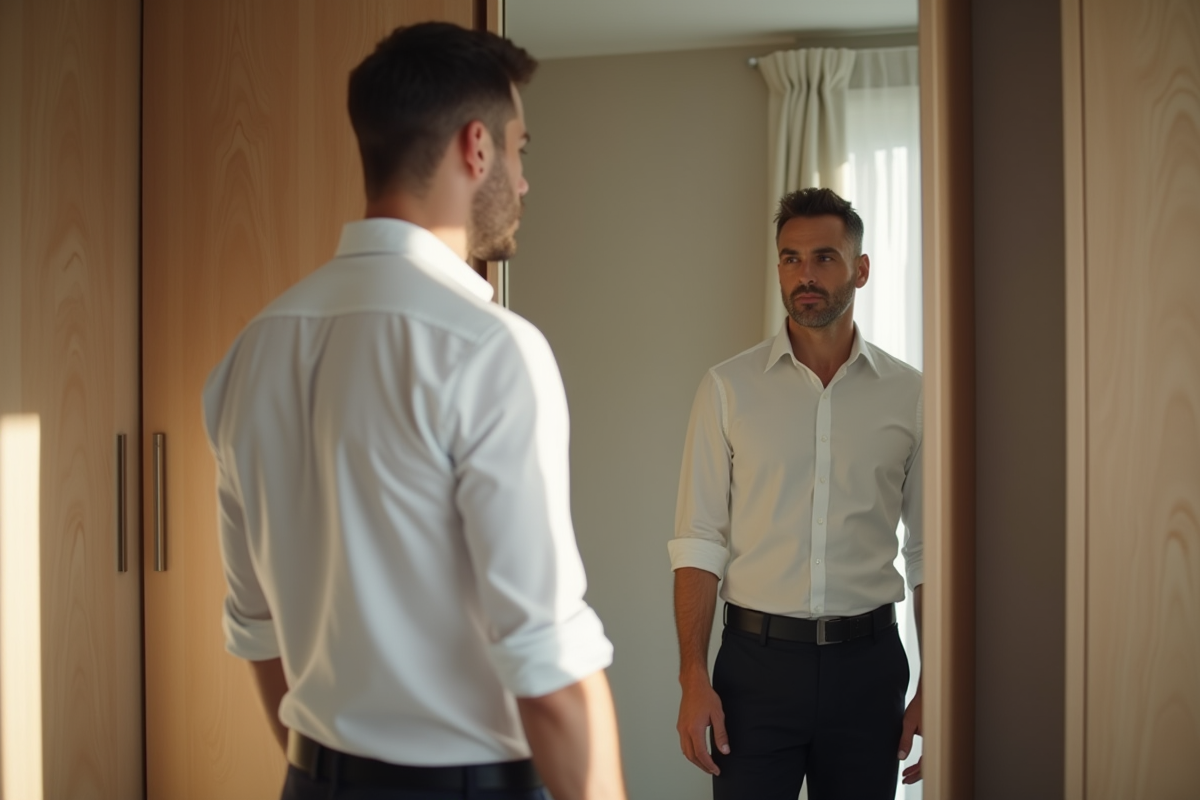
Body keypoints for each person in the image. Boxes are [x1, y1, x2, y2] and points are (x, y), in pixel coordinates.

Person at [203, 22, 626, 800]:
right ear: (476, 148)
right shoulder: (488, 349)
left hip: (311, 778)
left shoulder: (248, 354)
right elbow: (550, 668)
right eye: (519, 148)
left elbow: (257, 632)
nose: (524, 180)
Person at [670, 187, 924, 799]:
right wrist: (692, 678)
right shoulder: (727, 389)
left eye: (824, 258)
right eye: (790, 259)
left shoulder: (913, 395)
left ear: (860, 269)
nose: (804, 275)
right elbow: (699, 541)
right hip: (754, 671)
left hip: (869, 668)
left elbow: (927, 550)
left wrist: (933, 685)